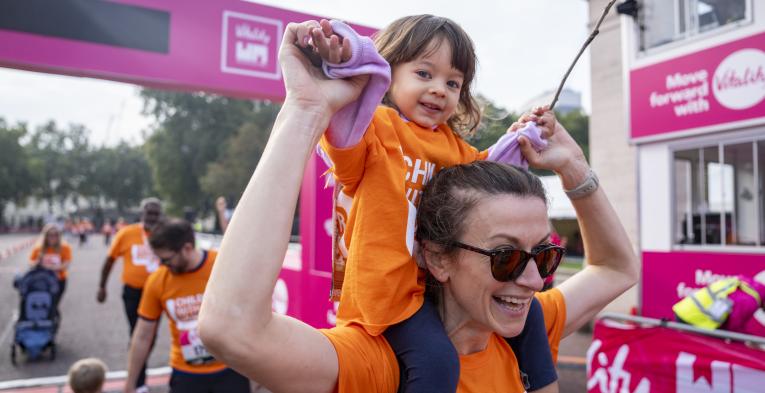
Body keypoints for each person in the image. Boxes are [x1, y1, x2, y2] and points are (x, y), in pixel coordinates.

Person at [197, 20, 639, 392]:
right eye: (505, 256)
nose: (532, 280)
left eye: (544, 255)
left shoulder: (457, 155)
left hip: (427, 301)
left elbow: (614, 266)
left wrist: (564, 162)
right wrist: (308, 108)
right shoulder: (382, 363)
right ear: (437, 255)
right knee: (437, 363)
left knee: (533, 337)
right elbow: (232, 328)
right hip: (391, 304)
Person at [307, 16, 555, 392]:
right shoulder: (375, 126)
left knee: (533, 311)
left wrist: (525, 136)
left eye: (452, 83)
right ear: (387, 73)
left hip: (433, 289)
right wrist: (344, 60)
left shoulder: (454, 148)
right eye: (424, 74)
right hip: (389, 297)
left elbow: (491, 175)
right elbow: (343, 128)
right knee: (437, 361)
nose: (440, 90)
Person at [124, 218, 249, 393]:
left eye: (166, 260)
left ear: (187, 248)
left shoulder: (221, 265)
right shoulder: (157, 280)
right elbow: (143, 335)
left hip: (230, 369)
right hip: (186, 374)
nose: (163, 265)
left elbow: (248, 315)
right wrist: (131, 382)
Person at [97, 197, 162, 391]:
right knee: (138, 334)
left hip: (159, 293)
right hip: (133, 292)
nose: (152, 216)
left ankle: (137, 371)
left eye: (156, 213)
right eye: (149, 212)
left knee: (151, 337)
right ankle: (138, 382)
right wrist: (102, 287)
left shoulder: (165, 234)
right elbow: (109, 261)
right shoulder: (127, 233)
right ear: (142, 214)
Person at [673, 272, 765, 336]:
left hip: (685, 311)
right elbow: (733, 329)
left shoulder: (747, 284)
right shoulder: (751, 300)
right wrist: (750, 341)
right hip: (693, 320)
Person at [29, 224, 72, 315]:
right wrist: (38, 262)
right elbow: (31, 263)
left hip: (59, 280)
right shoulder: (38, 248)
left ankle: (53, 321)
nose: (53, 237)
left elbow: (66, 264)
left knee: (54, 304)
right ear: (45, 236)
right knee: (43, 303)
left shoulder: (64, 247)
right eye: (50, 235)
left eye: (56, 234)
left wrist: (49, 267)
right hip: (42, 281)